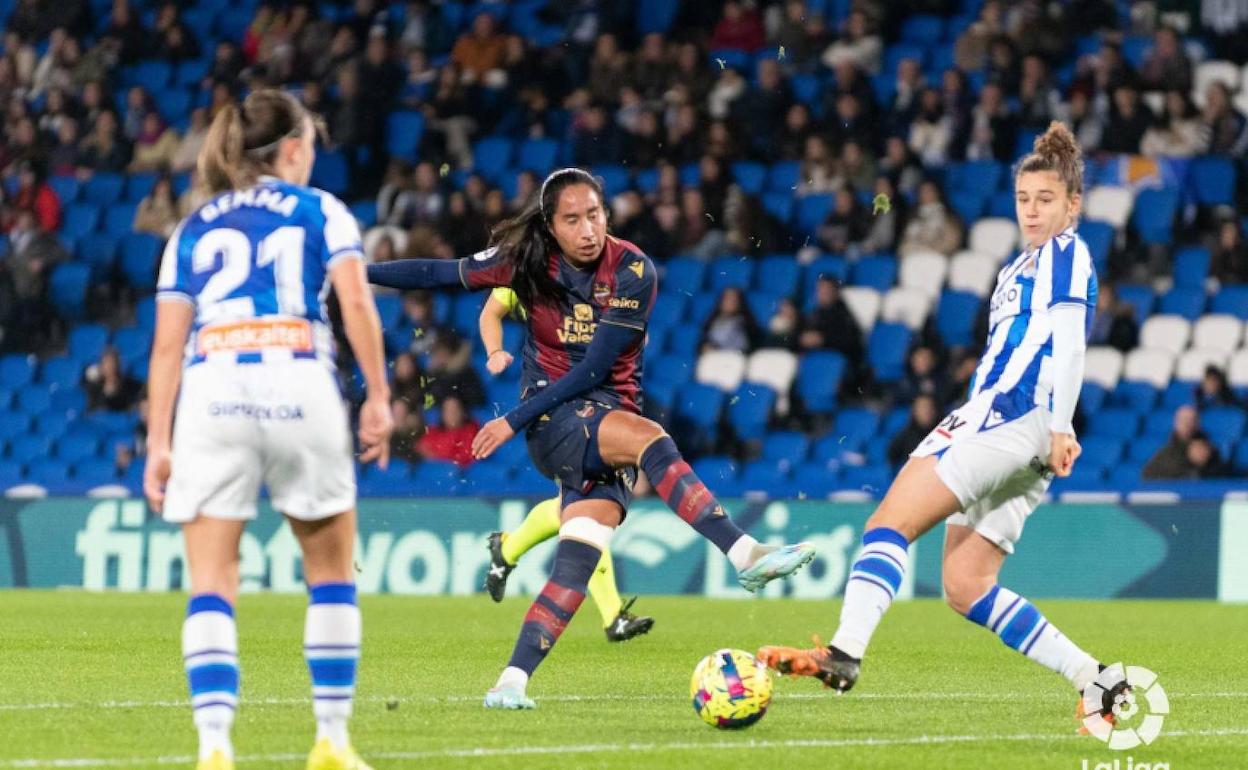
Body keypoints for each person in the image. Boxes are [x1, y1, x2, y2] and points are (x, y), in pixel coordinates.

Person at [366, 167, 815, 709]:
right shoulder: (527, 263)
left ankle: (510, 681)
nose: (588, 229)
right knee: (651, 438)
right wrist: (354, 273)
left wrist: (509, 418)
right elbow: (438, 273)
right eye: (573, 219)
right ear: (551, 226)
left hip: (600, 417)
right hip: (554, 423)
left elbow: (595, 369)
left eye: (595, 215)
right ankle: (743, 552)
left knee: (576, 566)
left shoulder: (632, 270)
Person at [758, 122, 1128, 732]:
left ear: (1072, 205)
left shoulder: (1067, 253)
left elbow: (1068, 342)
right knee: (965, 583)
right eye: (1024, 199)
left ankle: (845, 652)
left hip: (1008, 419)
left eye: (1046, 201)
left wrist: (1061, 423)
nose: (1033, 212)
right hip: (1021, 432)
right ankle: (1096, 679)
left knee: (888, 524)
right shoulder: (1017, 269)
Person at [143, 89, 392, 770]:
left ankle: (215, 747)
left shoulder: (191, 228)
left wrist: (158, 443)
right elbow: (355, 301)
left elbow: (166, 348)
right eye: (310, 144)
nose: (311, 158)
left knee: (213, 580)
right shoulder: (321, 211)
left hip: (214, 384)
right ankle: (333, 741)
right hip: (299, 377)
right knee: (331, 572)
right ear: (289, 150)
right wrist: (377, 394)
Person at [478, 286, 655, 643]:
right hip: (555, 406)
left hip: (602, 399)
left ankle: (507, 549)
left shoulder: (609, 273)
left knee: (575, 507)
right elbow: (490, 313)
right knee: (586, 504)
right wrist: (495, 351)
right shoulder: (531, 270)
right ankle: (613, 616)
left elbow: (638, 334)